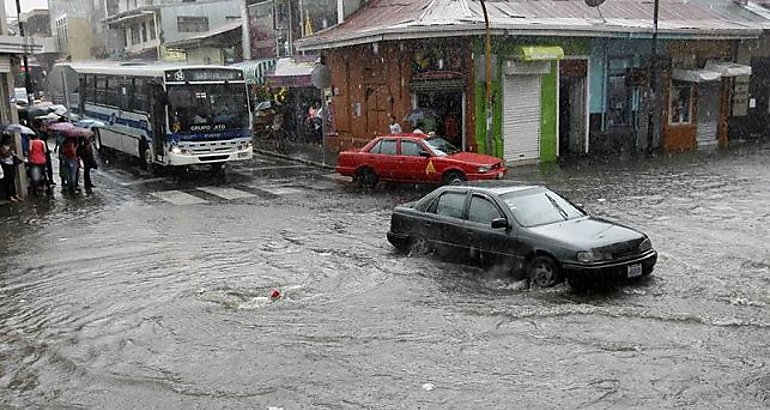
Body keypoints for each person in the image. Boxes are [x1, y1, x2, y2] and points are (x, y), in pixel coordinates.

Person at [0, 134, 21, 201]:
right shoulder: (2, 147)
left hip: (11, 164)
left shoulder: (10, 146)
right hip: (6, 164)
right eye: (9, 139)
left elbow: (12, 154)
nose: (10, 141)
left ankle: (15, 194)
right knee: (7, 181)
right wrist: (10, 149)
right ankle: (9, 195)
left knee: (12, 180)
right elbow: (5, 155)